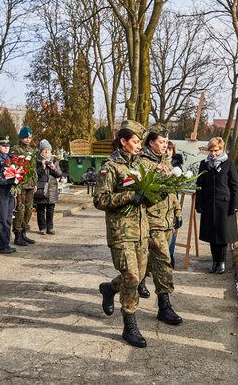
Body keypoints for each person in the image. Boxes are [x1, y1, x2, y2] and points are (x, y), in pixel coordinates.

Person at [95, 120, 150, 348]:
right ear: (123, 142)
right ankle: (130, 326)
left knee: (138, 274)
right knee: (133, 278)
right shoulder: (111, 167)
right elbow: (100, 199)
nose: (139, 146)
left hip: (141, 231)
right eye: (135, 142)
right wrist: (128, 197)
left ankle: (109, 288)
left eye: (140, 142)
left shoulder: (141, 165)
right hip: (121, 232)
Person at [137, 126, 183, 325]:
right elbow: (141, 188)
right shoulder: (142, 162)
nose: (165, 146)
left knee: (152, 260)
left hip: (167, 220)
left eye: (166, 142)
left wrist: (178, 212)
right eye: (161, 142)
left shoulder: (165, 160)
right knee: (164, 259)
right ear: (150, 142)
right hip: (152, 220)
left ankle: (128, 282)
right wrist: (153, 173)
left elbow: (172, 190)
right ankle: (164, 306)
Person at [195, 137, 238, 274]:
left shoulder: (229, 163)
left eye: (216, 150)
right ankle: (214, 261)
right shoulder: (204, 164)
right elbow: (199, 185)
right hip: (209, 203)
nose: (213, 153)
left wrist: (235, 204)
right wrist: (199, 203)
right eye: (211, 150)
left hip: (224, 204)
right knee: (212, 235)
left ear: (221, 149)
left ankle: (222, 262)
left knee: (222, 235)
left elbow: (235, 186)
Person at [11, 126, 36, 246]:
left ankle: (24, 232)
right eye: (25, 137)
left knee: (29, 209)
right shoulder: (16, 150)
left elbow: (34, 168)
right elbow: (13, 166)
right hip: (20, 183)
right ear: (21, 138)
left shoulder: (32, 150)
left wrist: (35, 183)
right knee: (19, 209)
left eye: (29, 137)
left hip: (30, 184)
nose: (28, 139)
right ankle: (18, 234)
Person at [34, 139, 62, 235]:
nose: (46, 152)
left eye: (48, 150)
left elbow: (59, 174)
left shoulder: (55, 160)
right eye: (44, 150)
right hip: (41, 188)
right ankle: (42, 228)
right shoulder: (37, 160)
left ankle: (50, 228)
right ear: (41, 151)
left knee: (51, 209)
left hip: (52, 188)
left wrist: (54, 168)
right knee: (41, 209)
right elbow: (35, 174)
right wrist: (42, 167)